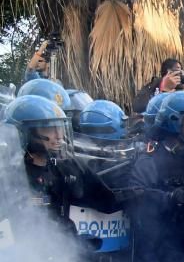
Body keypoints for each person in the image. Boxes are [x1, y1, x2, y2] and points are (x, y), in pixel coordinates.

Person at [127, 92, 184, 262]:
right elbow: (135, 195)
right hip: (161, 250)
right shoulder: (150, 161)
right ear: (175, 121)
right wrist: (169, 198)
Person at [4, 95, 116, 233]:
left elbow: (107, 201)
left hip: (66, 248)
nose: (59, 136)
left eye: (60, 127)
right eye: (49, 129)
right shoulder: (8, 176)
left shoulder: (67, 167)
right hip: (27, 249)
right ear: (26, 133)